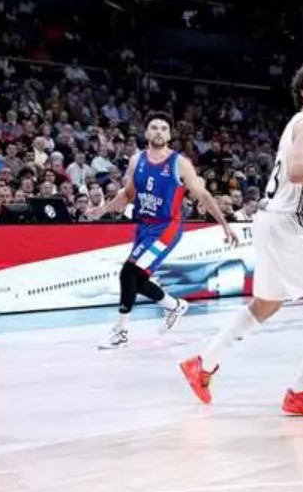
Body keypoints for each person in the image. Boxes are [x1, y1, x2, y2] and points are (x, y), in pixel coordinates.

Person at [178, 58, 303, 416]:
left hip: (272, 220)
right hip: (292, 223)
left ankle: (203, 364)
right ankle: (302, 390)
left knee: (266, 304)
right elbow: (301, 172)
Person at [88, 114, 238, 349]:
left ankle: (121, 331)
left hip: (167, 228)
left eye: (164, 128)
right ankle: (174, 305)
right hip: (144, 226)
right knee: (138, 280)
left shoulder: (180, 163)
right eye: (154, 127)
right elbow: (128, 194)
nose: (158, 131)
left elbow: (203, 195)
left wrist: (225, 225)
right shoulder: (136, 160)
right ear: (147, 133)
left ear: (169, 135)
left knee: (128, 273)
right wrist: (103, 210)